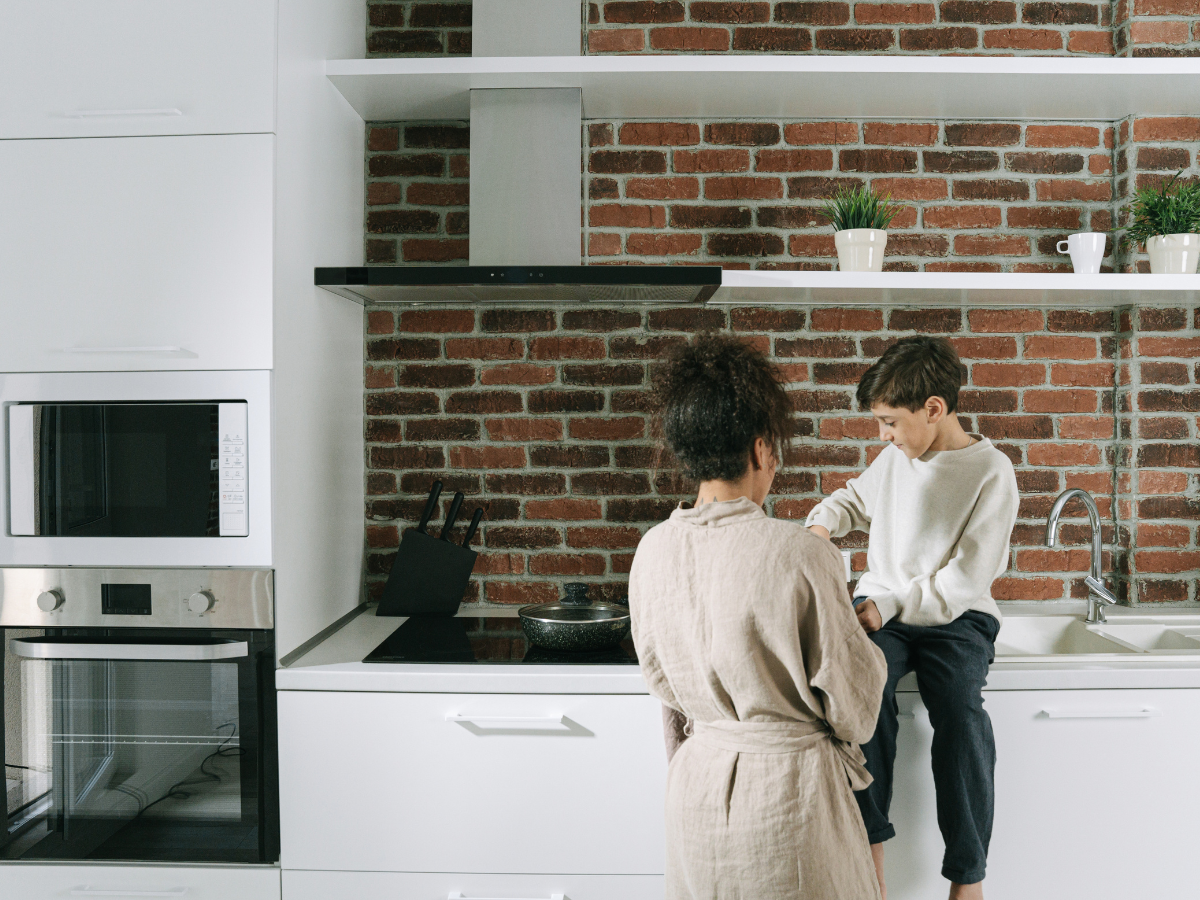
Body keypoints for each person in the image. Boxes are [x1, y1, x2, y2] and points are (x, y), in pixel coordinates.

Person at [629, 332, 886, 900]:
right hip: (788, 805)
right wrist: (859, 636)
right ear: (762, 448)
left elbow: (666, 692)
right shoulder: (801, 552)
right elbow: (856, 709)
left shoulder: (652, 550)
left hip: (695, 796)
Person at [805, 336, 1019, 900]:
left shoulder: (991, 472)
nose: (883, 436)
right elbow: (853, 500)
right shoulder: (898, 457)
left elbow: (964, 581)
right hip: (884, 613)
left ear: (933, 409)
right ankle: (870, 858)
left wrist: (892, 604)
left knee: (961, 714)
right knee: (862, 702)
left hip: (957, 618)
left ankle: (967, 878)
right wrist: (820, 525)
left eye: (889, 422)